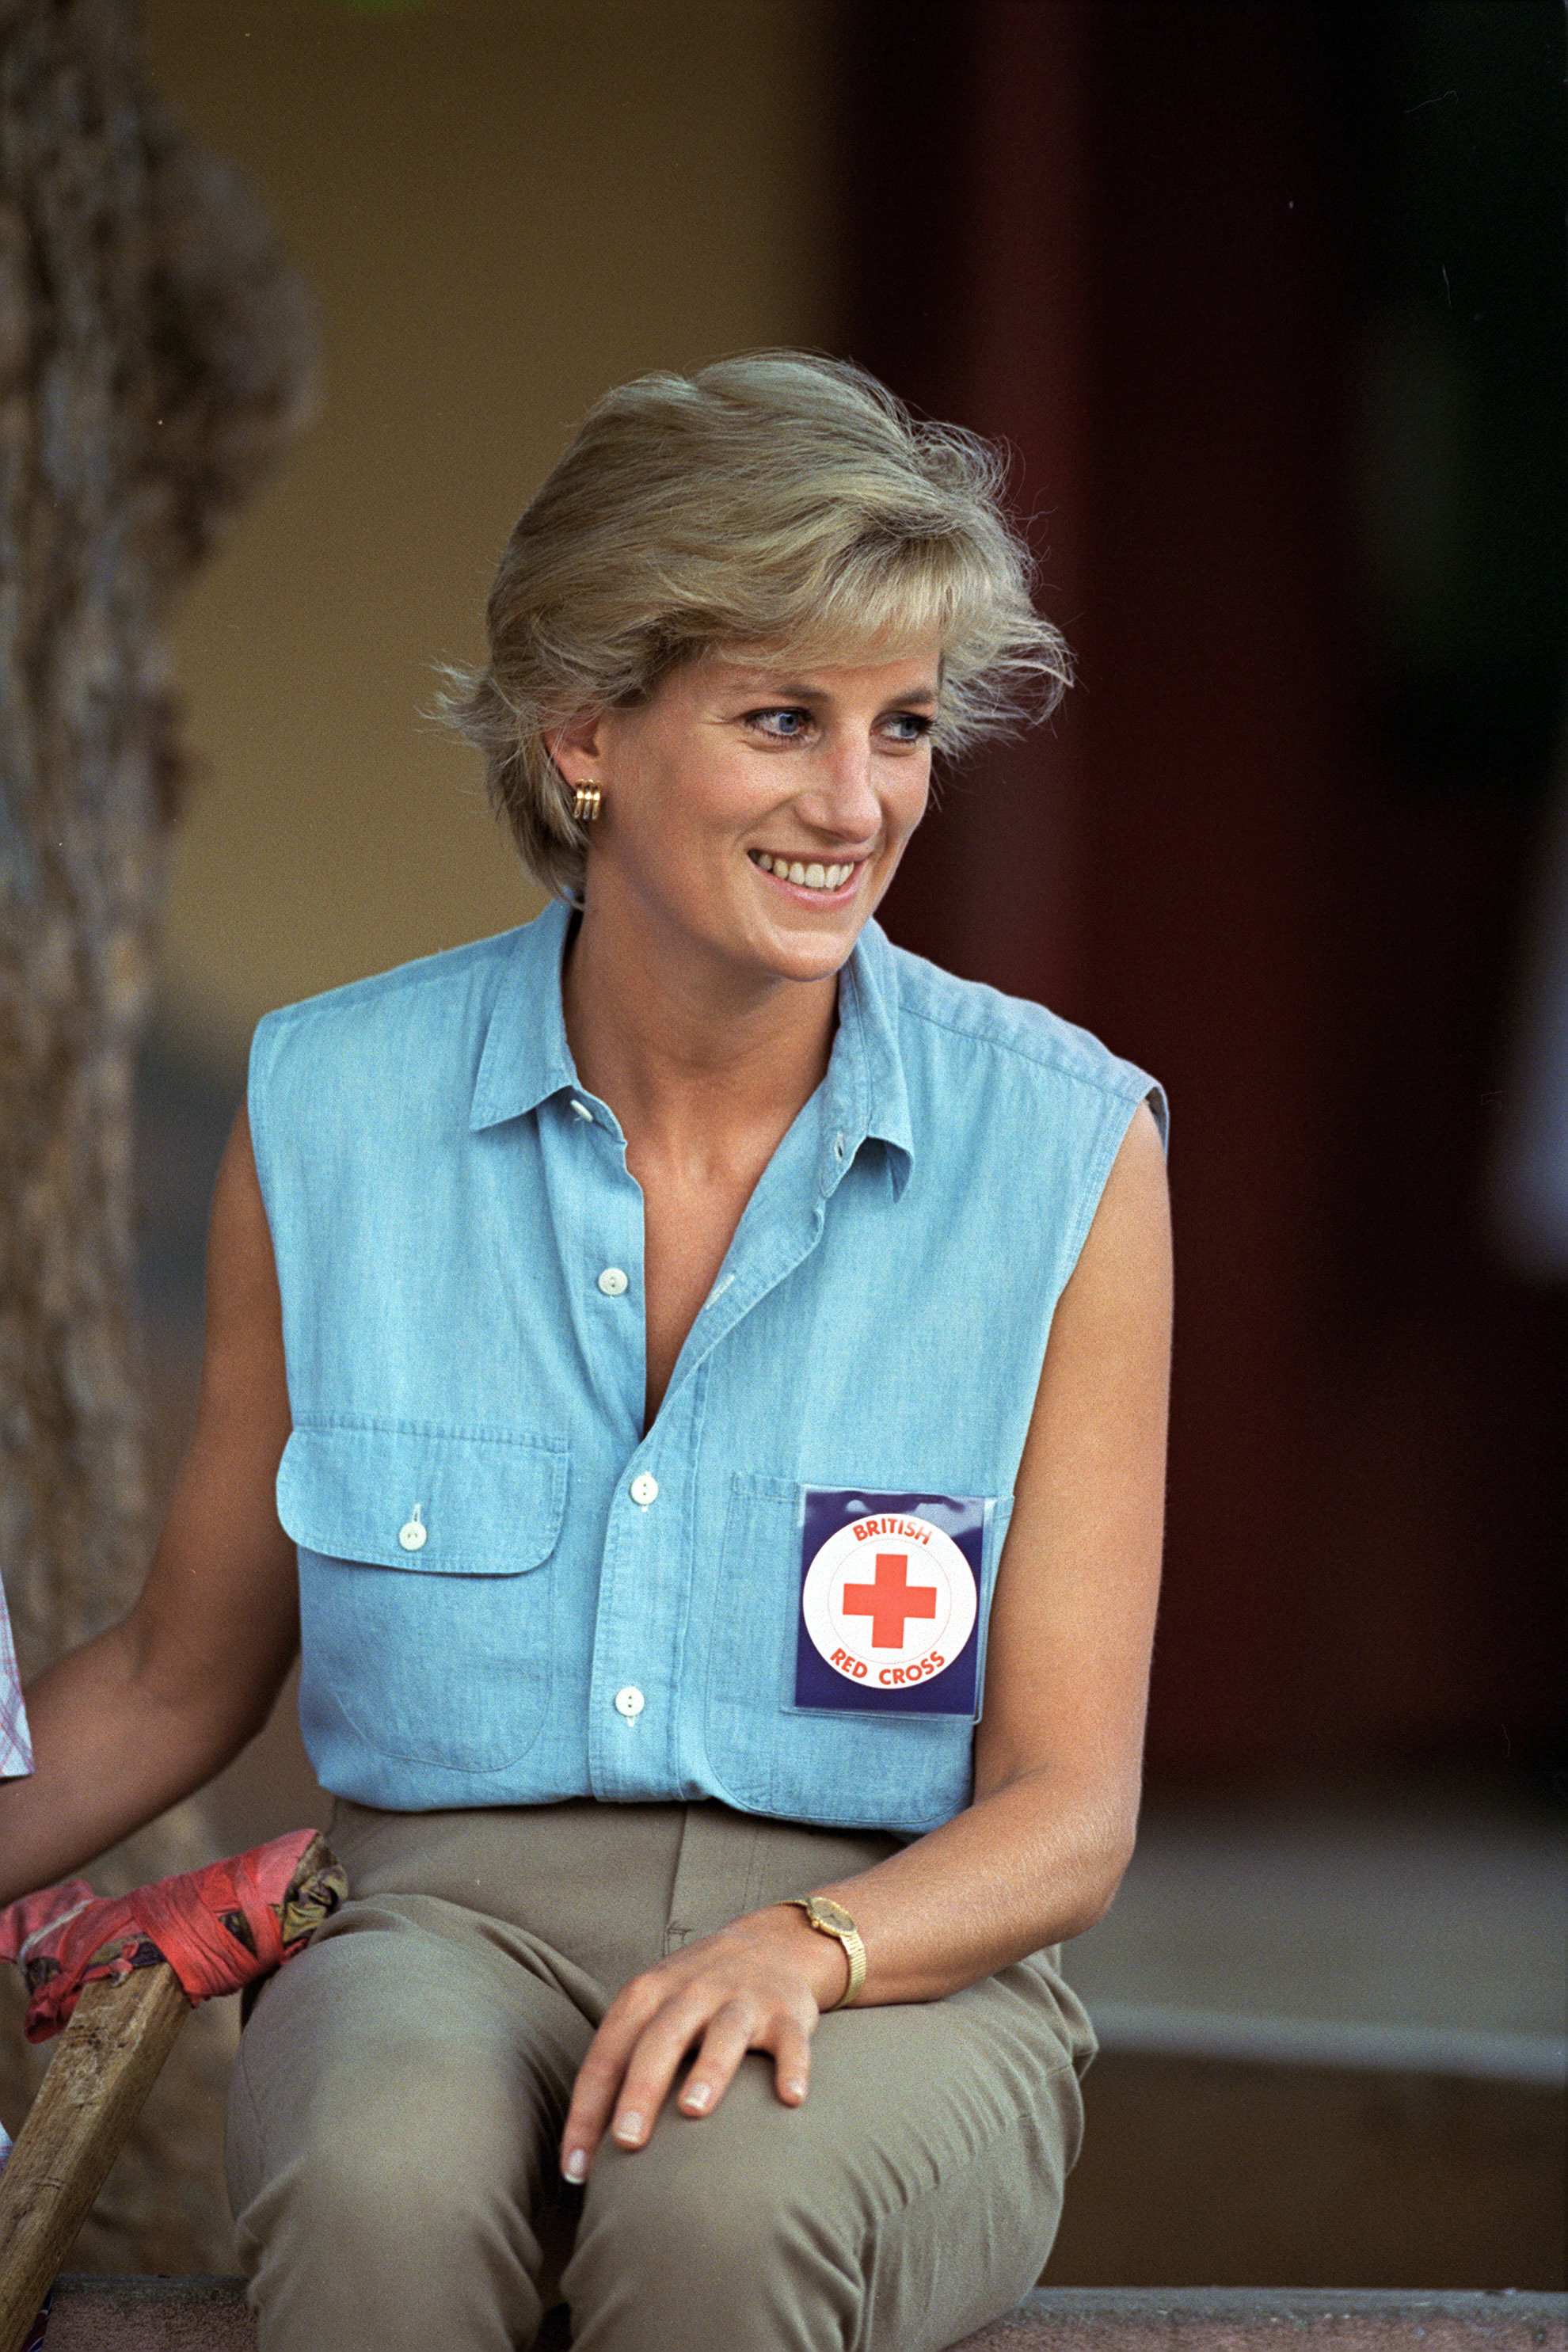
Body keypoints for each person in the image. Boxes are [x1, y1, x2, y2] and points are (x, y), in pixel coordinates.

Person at [0, 353, 1170, 2352]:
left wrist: (809, 1945)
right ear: (584, 734)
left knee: (714, 2211)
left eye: (900, 728)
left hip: (897, 1960)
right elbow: (177, 1676)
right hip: (433, 1931)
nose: (857, 802)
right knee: (376, 2186)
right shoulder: (333, 1110)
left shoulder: (1066, 1151)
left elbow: (1067, 1809)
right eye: (782, 720)